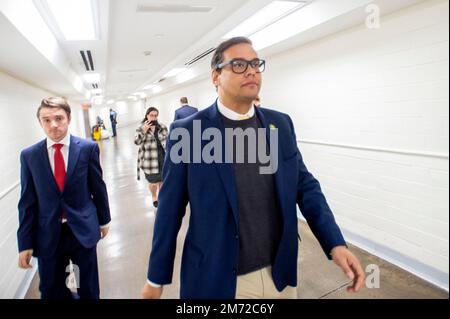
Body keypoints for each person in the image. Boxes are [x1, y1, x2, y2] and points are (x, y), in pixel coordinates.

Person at [141, 37, 365, 299]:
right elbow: (170, 209)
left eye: (256, 64)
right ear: (216, 76)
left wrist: (334, 242)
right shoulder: (189, 133)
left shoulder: (279, 125)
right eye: (238, 65)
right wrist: (156, 278)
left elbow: (304, 186)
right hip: (222, 280)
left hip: (281, 276)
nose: (251, 71)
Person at [17, 97, 111, 299]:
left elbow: (98, 188)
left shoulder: (87, 148)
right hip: (48, 234)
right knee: (51, 290)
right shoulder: (29, 156)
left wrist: (104, 220)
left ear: (68, 118)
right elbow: (27, 202)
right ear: (40, 122)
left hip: (82, 230)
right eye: (46, 120)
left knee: (89, 287)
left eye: (59, 118)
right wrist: (24, 242)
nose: (54, 125)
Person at [135, 107, 168, 208]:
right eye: (151, 115)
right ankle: (154, 196)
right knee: (153, 182)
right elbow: (136, 142)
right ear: (147, 116)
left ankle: (161, 197)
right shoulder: (141, 127)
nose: (153, 118)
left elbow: (167, 140)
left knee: (162, 180)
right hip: (149, 159)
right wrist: (143, 131)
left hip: (162, 156)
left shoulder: (162, 126)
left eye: (155, 115)